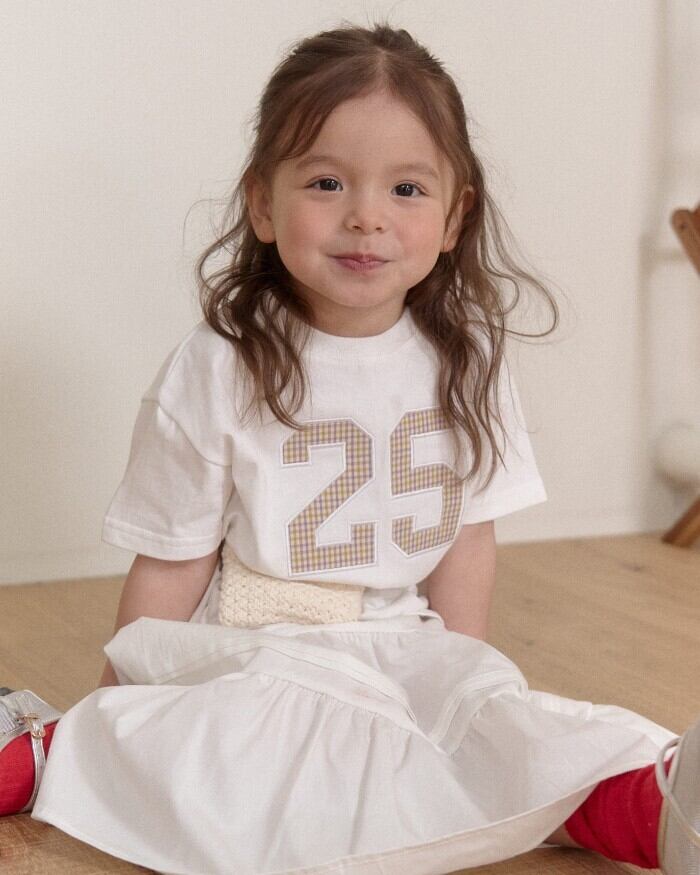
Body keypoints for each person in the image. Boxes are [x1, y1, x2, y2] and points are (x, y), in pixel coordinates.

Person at [1, 20, 698, 875]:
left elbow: (467, 536)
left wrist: (464, 679)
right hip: (261, 650)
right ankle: (44, 749)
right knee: (231, 754)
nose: (367, 216)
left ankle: (648, 802)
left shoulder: (469, 360)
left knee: (508, 733)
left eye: (407, 189)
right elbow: (175, 557)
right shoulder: (219, 364)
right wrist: (125, 713)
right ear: (263, 203)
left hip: (403, 643)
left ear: (455, 215)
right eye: (327, 182)